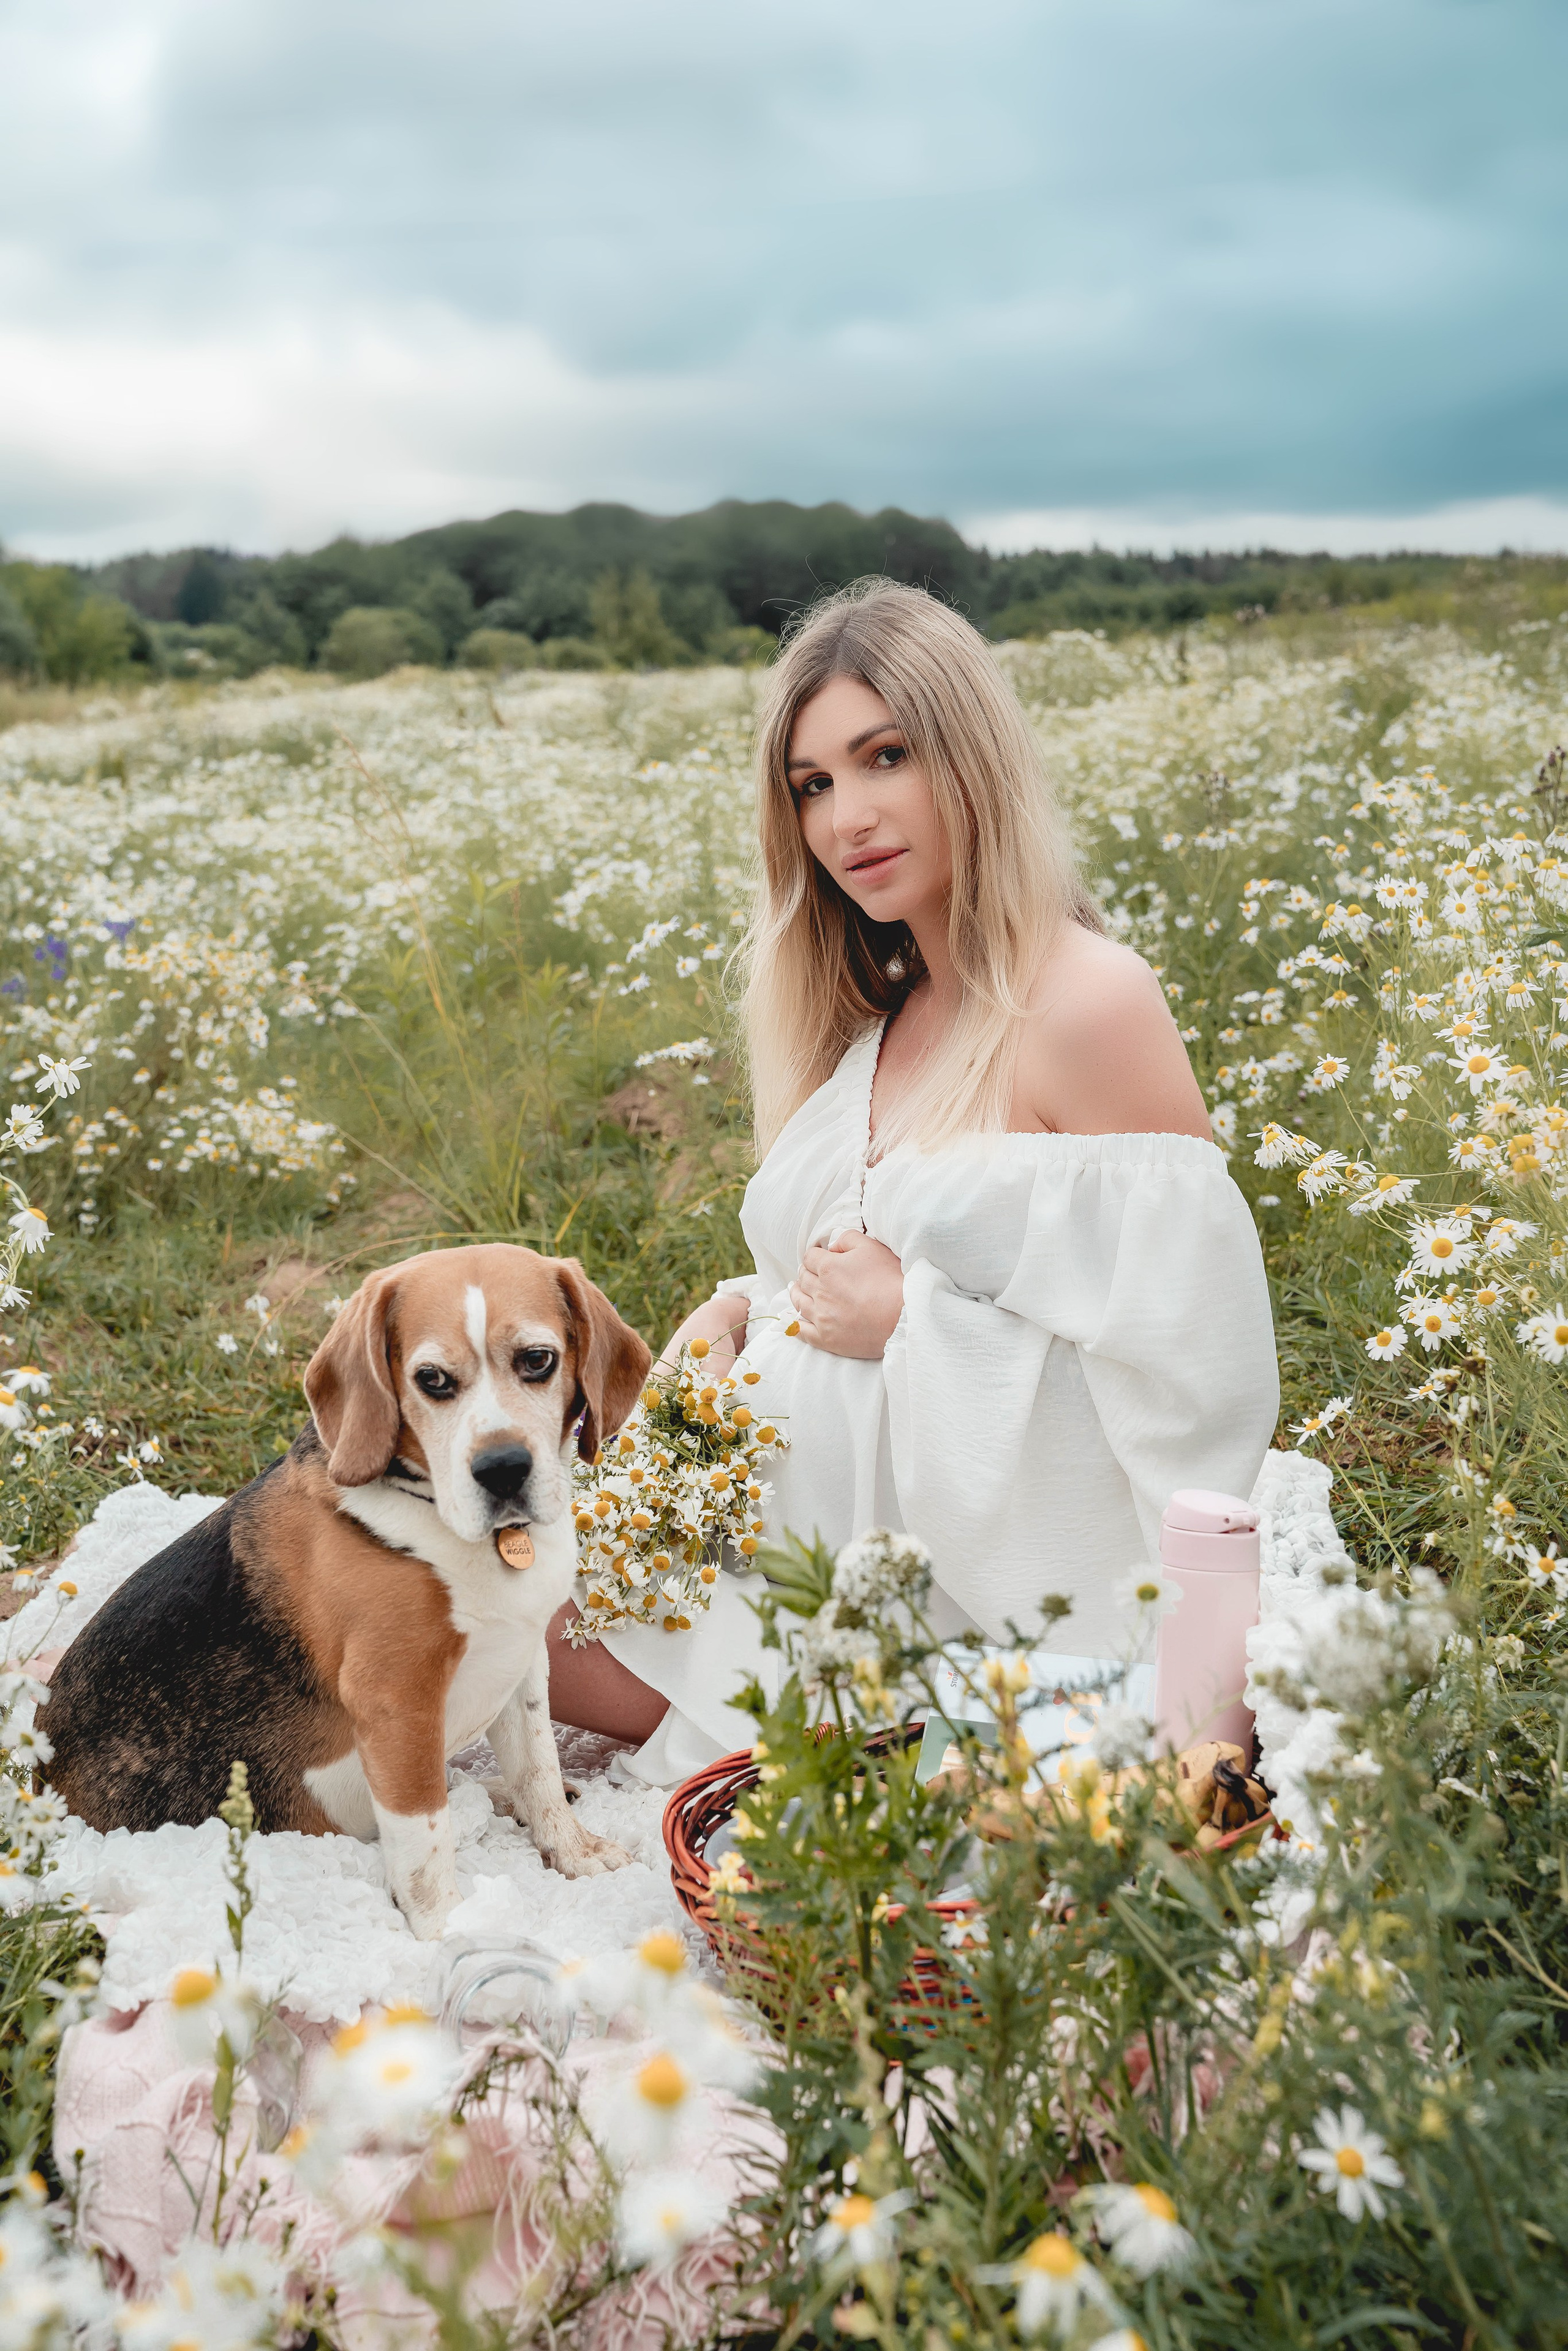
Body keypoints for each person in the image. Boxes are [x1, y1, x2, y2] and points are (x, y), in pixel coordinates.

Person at [545, 578, 1279, 1784]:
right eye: (812, 785)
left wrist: (909, 1329)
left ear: (968, 754)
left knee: (447, 1624)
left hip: (928, 1623)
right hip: (774, 1547)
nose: (847, 819)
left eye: (883, 756)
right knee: (425, 1581)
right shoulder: (883, 1017)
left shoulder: (1087, 1002)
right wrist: (737, 1308)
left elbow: (1192, 1382)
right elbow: (857, 1242)